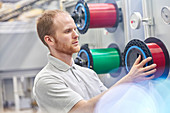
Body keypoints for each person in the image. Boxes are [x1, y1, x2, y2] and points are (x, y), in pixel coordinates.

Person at [33, 9, 157, 113]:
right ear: (49, 40)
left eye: (75, 29)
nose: (76, 35)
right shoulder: (46, 80)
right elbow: (83, 109)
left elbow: (110, 103)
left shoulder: (87, 73)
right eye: (67, 31)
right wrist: (129, 79)